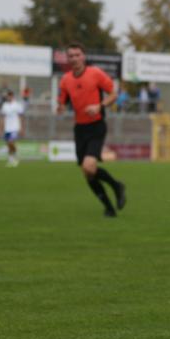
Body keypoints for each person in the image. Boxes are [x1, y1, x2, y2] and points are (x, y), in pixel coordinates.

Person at [57, 43, 126, 217]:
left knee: (89, 166)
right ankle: (109, 208)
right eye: (70, 56)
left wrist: (99, 106)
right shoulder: (65, 80)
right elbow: (62, 101)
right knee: (88, 173)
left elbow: (113, 94)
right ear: (68, 59)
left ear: (83, 56)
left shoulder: (95, 73)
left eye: (77, 55)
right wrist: (60, 108)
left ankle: (117, 186)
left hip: (96, 125)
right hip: (79, 129)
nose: (74, 58)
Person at [0, 89, 25, 167]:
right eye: (7, 96)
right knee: (8, 145)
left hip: (15, 127)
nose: (8, 97)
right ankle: (10, 160)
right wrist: (0, 129)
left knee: (11, 142)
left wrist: (22, 128)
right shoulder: (5, 105)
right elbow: (2, 117)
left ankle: (16, 156)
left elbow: (21, 117)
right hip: (7, 128)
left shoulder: (17, 105)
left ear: (12, 96)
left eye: (10, 96)